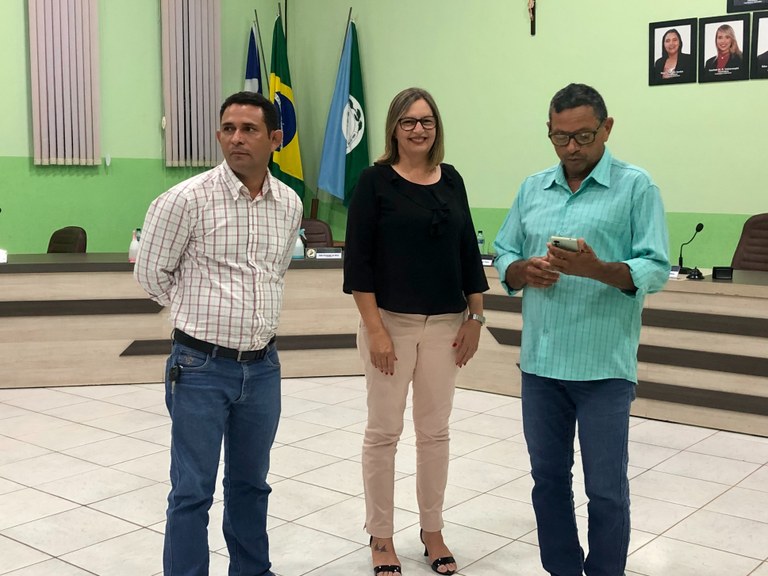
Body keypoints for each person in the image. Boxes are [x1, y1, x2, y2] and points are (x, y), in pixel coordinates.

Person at [493, 83, 669, 576]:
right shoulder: (532, 189)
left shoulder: (636, 187)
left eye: (584, 136)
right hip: (541, 366)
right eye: (560, 137)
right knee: (548, 481)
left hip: (603, 367)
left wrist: (598, 270)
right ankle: (563, 569)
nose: (571, 148)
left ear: (606, 129)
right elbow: (504, 253)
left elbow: (656, 267)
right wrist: (521, 271)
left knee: (605, 490)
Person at [135, 91, 303, 576]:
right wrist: (198, 310)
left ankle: (252, 570)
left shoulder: (289, 204)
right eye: (228, 129)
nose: (236, 138)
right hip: (199, 368)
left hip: (263, 368)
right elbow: (151, 274)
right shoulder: (184, 200)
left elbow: (273, 273)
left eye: (249, 129)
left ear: (275, 138)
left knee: (252, 484)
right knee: (192, 490)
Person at [343, 87, 489, 576]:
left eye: (426, 121)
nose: (418, 129)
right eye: (408, 121)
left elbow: (468, 251)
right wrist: (376, 331)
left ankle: (432, 530)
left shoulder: (452, 179)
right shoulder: (374, 181)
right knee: (383, 433)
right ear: (394, 128)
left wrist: (476, 317)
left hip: (447, 325)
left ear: (436, 127)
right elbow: (358, 264)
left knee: (435, 432)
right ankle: (381, 535)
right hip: (391, 324)